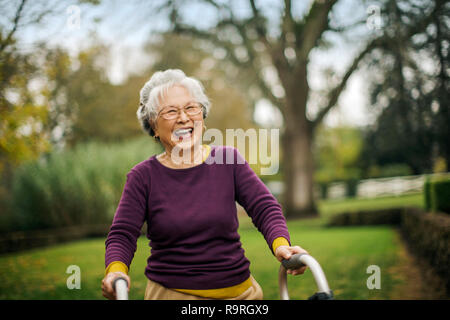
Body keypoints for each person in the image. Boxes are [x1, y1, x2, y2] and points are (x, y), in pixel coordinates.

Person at [101, 69, 308, 300]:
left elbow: (264, 207)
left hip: (243, 294)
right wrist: (116, 272)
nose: (183, 117)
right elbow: (123, 234)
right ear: (154, 126)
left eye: (191, 108)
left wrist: (281, 245)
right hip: (175, 295)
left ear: (202, 116)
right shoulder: (143, 176)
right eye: (170, 111)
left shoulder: (229, 161)